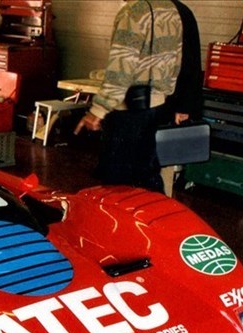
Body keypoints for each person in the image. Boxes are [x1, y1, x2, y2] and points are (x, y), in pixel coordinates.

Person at [74, 0, 183, 192]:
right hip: (157, 106)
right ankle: (153, 218)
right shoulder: (169, 8)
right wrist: (165, 93)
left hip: (128, 109)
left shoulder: (132, 12)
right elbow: (176, 58)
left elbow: (121, 68)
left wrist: (98, 110)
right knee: (148, 174)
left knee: (116, 179)